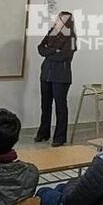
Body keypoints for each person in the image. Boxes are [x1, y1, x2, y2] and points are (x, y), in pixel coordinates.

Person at [36, 11, 77, 145]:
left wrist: (50, 51)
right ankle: (43, 133)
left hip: (61, 77)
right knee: (45, 105)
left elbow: (64, 56)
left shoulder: (71, 37)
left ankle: (59, 138)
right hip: (46, 75)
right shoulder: (51, 32)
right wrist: (54, 50)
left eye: (60, 19)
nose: (56, 21)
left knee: (60, 107)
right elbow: (41, 49)